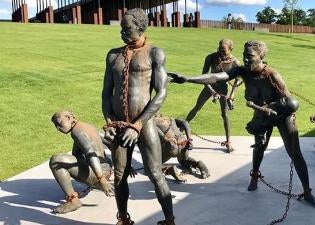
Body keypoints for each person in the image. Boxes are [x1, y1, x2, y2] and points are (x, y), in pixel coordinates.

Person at [168, 40, 315, 207]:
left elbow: (290, 103)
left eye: (250, 56)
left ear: (261, 57)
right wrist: (188, 79)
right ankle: (255, 175)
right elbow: (216, 76)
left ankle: (307, 192)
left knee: (295, 154)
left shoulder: (272, 75)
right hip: (262, 112)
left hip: (281, 114)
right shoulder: (243, 71)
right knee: (258, 148)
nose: (246, 60)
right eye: (244, 56)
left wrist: (268, 117)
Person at [101, 8, 175, 225]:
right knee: (119, 175)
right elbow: (106, 93)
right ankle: (123, 218)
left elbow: (161, 93)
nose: (122, 32)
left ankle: (169, 220)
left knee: (155, 173)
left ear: (141, 28)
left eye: (127, 28)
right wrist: (108, 121)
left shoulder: (155, 53)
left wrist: (138, 125)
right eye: (121, 28)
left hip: (144, 125)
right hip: (119, 125)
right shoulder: (113, 55)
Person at [49, 110, 113, 214]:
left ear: (69, 118)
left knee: (56, 160)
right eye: (56, 125)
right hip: (108, 169)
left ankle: (73, 200)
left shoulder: (77, 132)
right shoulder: (86, 126)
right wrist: (124, 167)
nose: (58, 128)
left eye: (59, 123)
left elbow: (90, 154)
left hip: (98, 174)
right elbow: (110, 143)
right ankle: (100, 179)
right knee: (71, 158)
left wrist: (102, 179)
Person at [185, 39, 240, 153]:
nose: (220, 51)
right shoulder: (211, 57)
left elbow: (238, 79)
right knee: (197, 108)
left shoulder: (235, 62)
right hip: (209, 86)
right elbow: (204, 76)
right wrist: (211, 91)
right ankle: (181, 130)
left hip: (223, 89)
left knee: (225, 114)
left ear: (231, 49)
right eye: (219, 48)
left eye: (223, 50)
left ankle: (228, 141)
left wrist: (232, 95)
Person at [154, 114, 210, 180]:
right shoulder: (170, 118)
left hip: (172, 146)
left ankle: (170, 169)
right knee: (184, 160)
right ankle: (198, 164)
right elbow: (185, 123)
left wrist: (166, 139)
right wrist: (189, 139)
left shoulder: (152, 122)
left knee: (152, 166)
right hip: (183, 142)